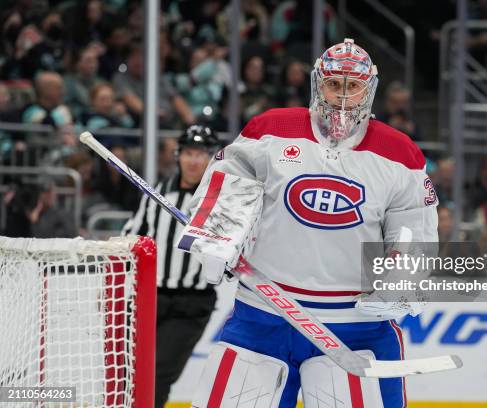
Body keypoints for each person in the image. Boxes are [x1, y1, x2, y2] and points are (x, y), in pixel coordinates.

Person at [186, 39, 438, 407]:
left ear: (369, 90)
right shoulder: (270, 129)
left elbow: (412, 224)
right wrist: (217, 234)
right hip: (264, 314)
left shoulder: (400, 153)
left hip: (356, 326)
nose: (341, 97)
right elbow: (230, 178)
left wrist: (402, 278)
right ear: (317, 83)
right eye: (334, 84)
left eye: (353, 87)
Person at [122, 125, 222, 408]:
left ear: (211, 158)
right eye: (189, 153)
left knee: (158, 373)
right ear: (178, 156)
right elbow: (133, 236)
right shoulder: (156, 194)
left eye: (201, 154)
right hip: (149, 298)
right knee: (130, 370)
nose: (193, 160)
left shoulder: (222, 200)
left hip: (191, 304)